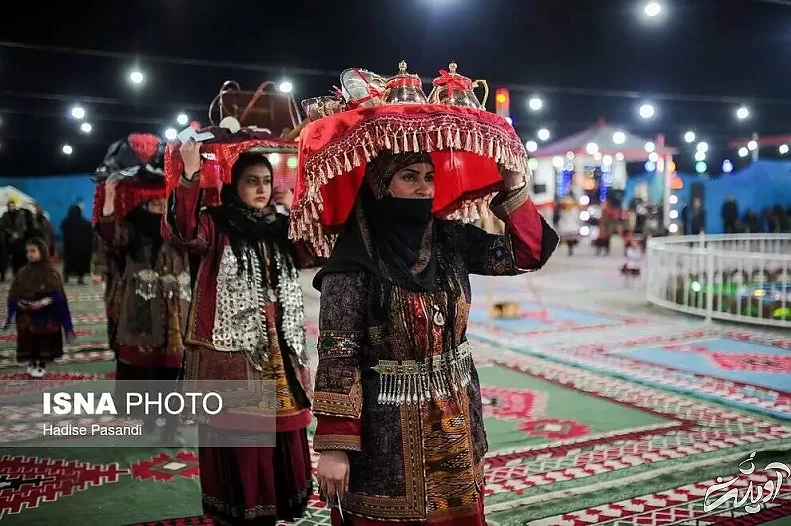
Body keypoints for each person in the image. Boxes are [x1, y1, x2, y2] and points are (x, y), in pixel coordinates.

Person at [312, 150, 558, 526]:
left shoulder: (449, 239)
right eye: (409, 177)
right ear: (380, 185)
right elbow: (338, 355)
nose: (423, 188)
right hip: (386, 432)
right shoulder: (354, 259)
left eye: (429, 177)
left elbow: (528, 253)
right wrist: (335, 446)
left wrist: (513, 184)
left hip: (455, 412)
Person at [164, 140, 315, 525]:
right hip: (232, 353)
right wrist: (190, 174)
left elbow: (313, 252)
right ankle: (246, 508)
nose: (261, 188)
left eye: (266, 180)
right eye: (251, 181)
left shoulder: (280, 225)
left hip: (280, 346)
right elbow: (183, 233)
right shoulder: (215, 223)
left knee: (283, 425)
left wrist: (296, 206)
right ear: (234, 185)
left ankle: (280, 503)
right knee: (242, 429)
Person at [97, 179, 189, 440]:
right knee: (145, 372)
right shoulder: (132, 226)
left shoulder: (180, 226)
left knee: (174, 371)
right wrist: (109, 200)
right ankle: (148, 418)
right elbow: (110, 238)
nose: (160, 203)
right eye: (154, 198)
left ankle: (171, 426)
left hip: (176, 310)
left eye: (164, 198)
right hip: (141, 309)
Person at [3, 237, 75, 377]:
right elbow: (14, 293)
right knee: (29, 340)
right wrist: (19, 303)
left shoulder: (51, 273)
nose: (29, 254)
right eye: (27, 251)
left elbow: (58, 296)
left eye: (33, 251)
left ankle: (41, 364)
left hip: (46, 316)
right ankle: (32, 362)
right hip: (26, 316)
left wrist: (44, 302)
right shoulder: (23, 272)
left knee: (43, 341)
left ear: (42, 251)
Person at [61, 204, 94, 284]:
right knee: (82, 264)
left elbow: (64, 234)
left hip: (70, 248)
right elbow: (90, 237)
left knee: (68, 264)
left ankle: (66, 277)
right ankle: (81, 278)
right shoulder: (86, 223)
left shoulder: (65, 223)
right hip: (83, 249)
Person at [0, 200, 34, 276]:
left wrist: (18, 234)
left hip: (18, 239)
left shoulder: (20, 215)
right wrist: (11, 233)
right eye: (10, 206)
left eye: (12, 206)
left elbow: (23, 226)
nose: (11, 207)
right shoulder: (5, 215)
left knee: (17, 257)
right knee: (5, 258)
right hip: (8, 239)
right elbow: (3, 226)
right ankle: (3, 274)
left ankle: (16, 273)